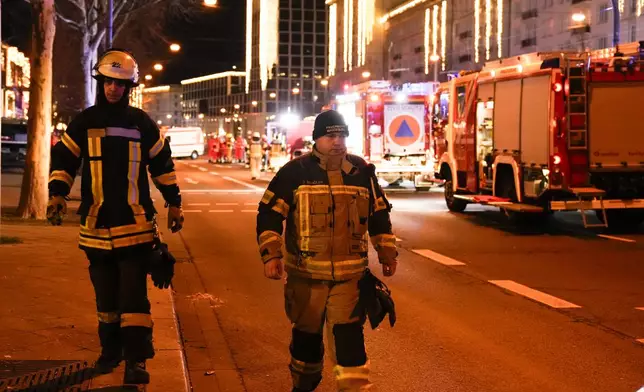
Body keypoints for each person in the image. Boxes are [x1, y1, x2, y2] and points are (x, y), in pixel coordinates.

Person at [46, 48, 184, 385]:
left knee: (133, 300)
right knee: (106, 302)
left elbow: (162, 165)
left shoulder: (141, 124)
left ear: (129, 88)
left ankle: (136, 361)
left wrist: (174, 202)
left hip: (134, 228)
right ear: (100, 82)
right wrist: (56, 196)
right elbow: (63, 160)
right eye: (108, 82)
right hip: (94, 228)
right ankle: (110, 353)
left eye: (120, 84)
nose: (113, 89)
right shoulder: (84, 122)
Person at [255, 110, 398, 392]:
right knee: (306, 340)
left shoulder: (362, 172)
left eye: (342, 135)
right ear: (316, 139)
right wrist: (271, 255)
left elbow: (379, 215)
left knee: (349, 340)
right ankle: (304, 385)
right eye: (330, 136)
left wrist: (387, 253)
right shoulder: (295, 173)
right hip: (305, 279)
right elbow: (269, 214)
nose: (337, 142)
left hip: (350, 279)